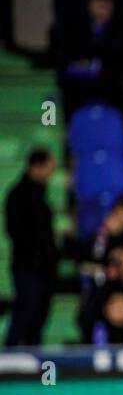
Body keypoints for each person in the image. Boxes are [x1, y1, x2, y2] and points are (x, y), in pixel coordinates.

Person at [5, 149, 59, 347]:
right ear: (37, 166)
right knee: (24, 313)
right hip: (28, 267)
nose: (51, 173)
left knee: (38, 318)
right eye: (49, 167)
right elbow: (15, 232)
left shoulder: (40, 194)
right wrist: (41, 252)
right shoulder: (18, 194)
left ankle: (35, 361)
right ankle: (9, 359)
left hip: (43, 268)